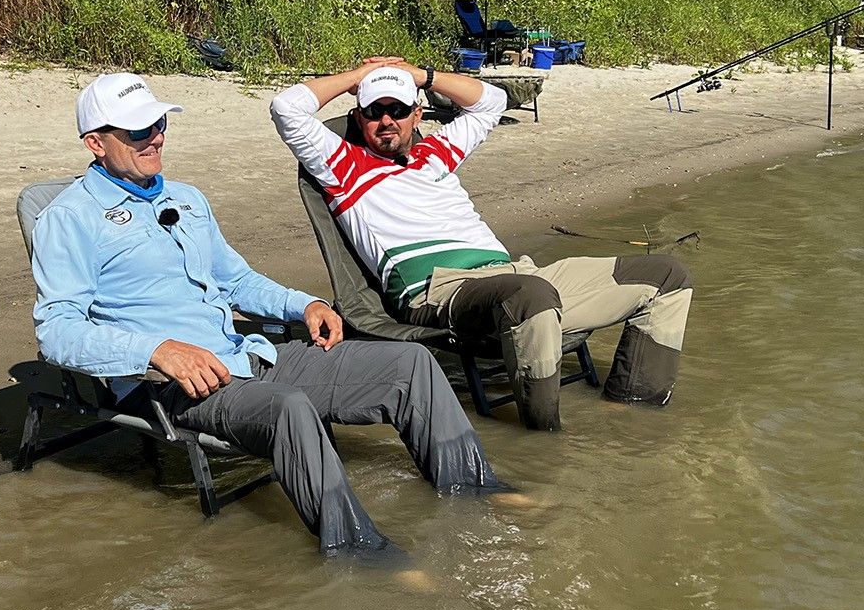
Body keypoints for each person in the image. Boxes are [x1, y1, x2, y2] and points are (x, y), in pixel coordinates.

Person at [30, 71, 511, 554]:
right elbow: (57, 331)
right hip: (174, 385)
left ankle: (475, 497)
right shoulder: (69, 218)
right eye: (137, 131)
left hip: (246, 355)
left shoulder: (187, 198)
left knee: (412, 367)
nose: (155, 137)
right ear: (95, 142)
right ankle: (359, 551)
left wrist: (306, 304)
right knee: (290, 409)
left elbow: (236, 281)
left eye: (159, 124)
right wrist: (156, 351)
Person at [269, 58, 693, 430]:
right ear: (359, 117)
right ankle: (544, 441)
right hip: (443, 290)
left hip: (515, 276)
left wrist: (421, 74)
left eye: (397, 109)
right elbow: (287, 107)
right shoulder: (341, 165)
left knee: (665, 276)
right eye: (374, 111)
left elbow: (492, 100)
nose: (386, 121)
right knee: (533, 297)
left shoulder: (435, 152)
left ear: (417, 115)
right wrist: (363, 75)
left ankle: (633, 415)